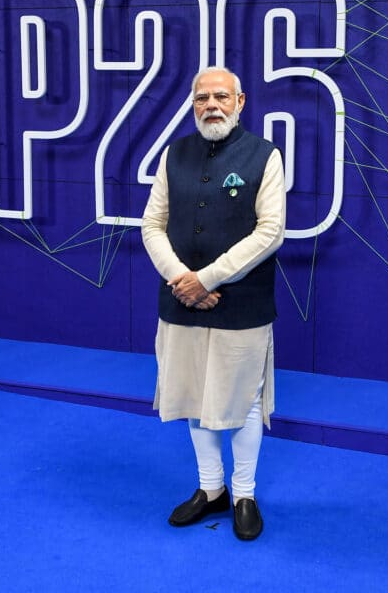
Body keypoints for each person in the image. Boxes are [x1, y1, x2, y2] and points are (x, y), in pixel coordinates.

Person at [141, 66, 286, 541]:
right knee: (193, 399)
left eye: (221, 96)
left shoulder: (265, 157)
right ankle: (211, 489)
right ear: (192, 104)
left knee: (243, 403)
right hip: (180, 300)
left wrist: (205, 279)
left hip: (242, 304)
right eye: (202, 97)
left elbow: (270, 233)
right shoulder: (173, 155)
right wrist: (183, 281)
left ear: (240, 102)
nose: (212, 105)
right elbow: (152, 225)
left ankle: (244, 493)